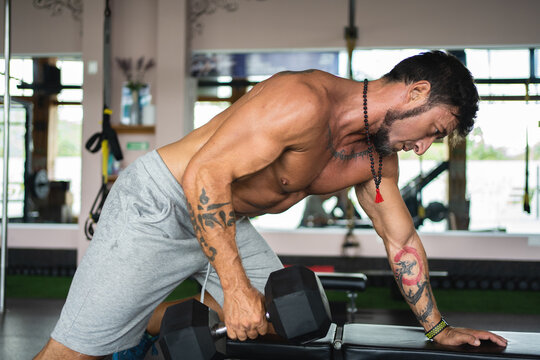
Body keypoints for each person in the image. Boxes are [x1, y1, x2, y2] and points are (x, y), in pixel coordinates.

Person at [35, 51, 508, 359]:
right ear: (417, 92)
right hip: (162, 203)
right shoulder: (301, 101)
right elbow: (206, 174)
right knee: (74, 354)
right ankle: (127, 319)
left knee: (284, 324)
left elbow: (400, 240)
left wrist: (438, 328)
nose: (424, 147)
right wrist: (236, 289)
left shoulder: (375, 159)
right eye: (433, 131)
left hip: (224, 219)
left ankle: (148, 314)